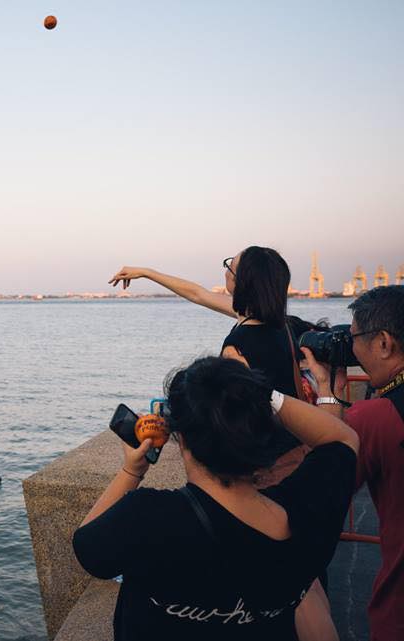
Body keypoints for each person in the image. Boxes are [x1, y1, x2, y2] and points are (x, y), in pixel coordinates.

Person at [73, 357, 358, 641]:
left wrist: (131, 470)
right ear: (260, 430)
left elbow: (87, 549)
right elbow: (343, 439)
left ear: (181, 437)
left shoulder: (148, 518)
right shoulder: (308, 512)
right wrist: (258, 395)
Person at [110, 248, 316, 485]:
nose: (226, 271)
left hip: (268, 468)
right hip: (296, 449)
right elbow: (197, 294)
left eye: (230, 267)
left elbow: (231, 419)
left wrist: (173, 422)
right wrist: (145, 273)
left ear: (242, 282)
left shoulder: (237, 347)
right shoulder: (280, 325)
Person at [301, 285, 404, 641]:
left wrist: (327, 392)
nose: (352, 347)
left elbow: (319, 488)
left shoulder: (378, 416)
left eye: (354, 336)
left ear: (385, 344)